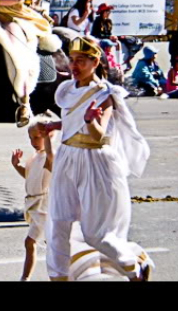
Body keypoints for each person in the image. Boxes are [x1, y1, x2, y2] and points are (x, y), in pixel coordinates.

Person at [39, 35, 154, 281]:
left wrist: (91, 120)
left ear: (95, 62)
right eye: (72, 60)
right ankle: (58, 277)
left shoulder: (105, 94)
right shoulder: (68, 89)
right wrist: (56, 125)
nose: (74, 65)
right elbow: (73, 120)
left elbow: (99, 136)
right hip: (67, 156)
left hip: (95, 161)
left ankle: (134, 265)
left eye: (81, 60)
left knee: (95, 235)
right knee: (57, 223)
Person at [11, 113, 57, 281]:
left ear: (48, 136)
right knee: (32, 243)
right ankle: (26, 277)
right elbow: (29, 175)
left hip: (43, 207)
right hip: (34, 205)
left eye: (37, 137)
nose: (33, 142)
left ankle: (56, 275)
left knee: (46, 245)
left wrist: (48, 138)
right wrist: (17, 166)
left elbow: (51, 158)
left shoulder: (49, 156)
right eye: (30, 138)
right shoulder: (35, 157)